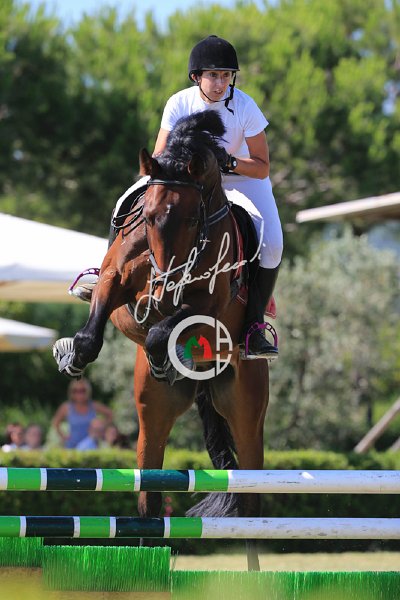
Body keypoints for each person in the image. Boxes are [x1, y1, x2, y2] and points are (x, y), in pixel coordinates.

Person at [72, 35, 283, 360]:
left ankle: (254, 326)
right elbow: (159, 154)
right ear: (197, 76)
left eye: (226, 76)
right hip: (187, 179)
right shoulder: (179, 103)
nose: (220, 83)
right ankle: (107, 272)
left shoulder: (245, 106)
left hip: (241, 180)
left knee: (273, 245)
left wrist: (228, 162)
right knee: (123, 202)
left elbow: (262, 166)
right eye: (213, 75)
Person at [52, 378, 113, 449]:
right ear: (71, 392)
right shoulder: (66, 407)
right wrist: (63, 436)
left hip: (91, 447)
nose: (79, 394)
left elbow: (110, 414)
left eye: (82, 390)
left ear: (88, 391)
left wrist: (101, 427)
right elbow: (55, 422)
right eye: (76, 391)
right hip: (72, 446)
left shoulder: (93, 406)